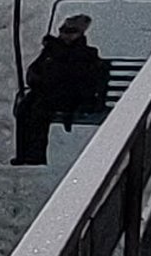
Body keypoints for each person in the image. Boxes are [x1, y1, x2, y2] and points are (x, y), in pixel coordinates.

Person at [12, 12, 108, 164]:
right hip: (46, 92)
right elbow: (35, 69)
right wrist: (36, 79)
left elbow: (79, 78)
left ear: (79, 34)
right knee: (24, 108)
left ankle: (36, 155)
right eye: (63, 31)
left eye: (71, 32)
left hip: (69, 96)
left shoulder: (85, 54)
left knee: (40, 110)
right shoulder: (50, 51)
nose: (65, 36)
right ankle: (23, 153)